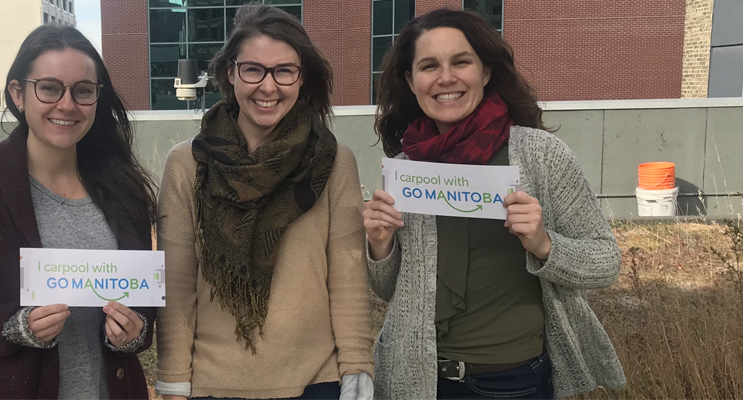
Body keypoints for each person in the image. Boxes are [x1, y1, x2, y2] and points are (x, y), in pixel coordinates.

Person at [363, 9, 625, 400]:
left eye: (461, 62)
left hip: (512, 381)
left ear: (485, 72)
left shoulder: (540, 156)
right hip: (414, 380)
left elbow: (605, 262)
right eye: (429, 66)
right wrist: (380, 246)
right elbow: (389, 292)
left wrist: (543, 244)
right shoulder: (406, 170)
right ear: (410, 80)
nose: (446, 78)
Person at [0, 26, 156, 400]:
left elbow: (142, 297)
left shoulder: (124, 189)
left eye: (83, 90)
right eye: (49, 87)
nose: (67, 104)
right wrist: (12, 326)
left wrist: (135, 332)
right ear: (18, 94)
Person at [155, 5, 375, 400]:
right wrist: (173, 381)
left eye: (284, 70)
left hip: (316, 383)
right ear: (230, 73)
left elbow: (348, 277)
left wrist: (358, 369)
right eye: (253, 69)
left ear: (301, 76)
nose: (268, 86)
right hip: (213, 385)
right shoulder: (189, 163)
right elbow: (177, 285)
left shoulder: (333, 161)